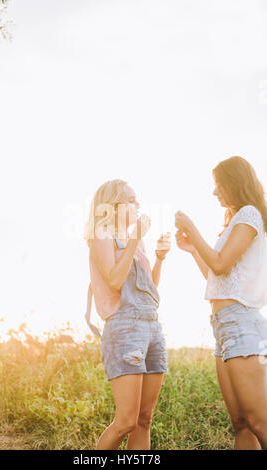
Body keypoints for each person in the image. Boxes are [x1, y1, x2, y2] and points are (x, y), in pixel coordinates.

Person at [175, 156, 267, 450]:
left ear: (234, 182)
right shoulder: (235, 221)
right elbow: (216, 277)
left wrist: (192, 227)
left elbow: (221, 264)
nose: (214, 192)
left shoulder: (250, 214)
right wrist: (193, 250)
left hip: (240, 322)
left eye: (218, 185)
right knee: (240, 424)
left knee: (258, 421)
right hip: (223, 326)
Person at [84, 179, 170, 450]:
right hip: (124, 327)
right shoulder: (102, 234)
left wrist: (159, 257)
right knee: (126, 422)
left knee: (144, 420)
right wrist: (134, 239)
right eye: (130, 201)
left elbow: (149, 289)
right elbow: (114, 280)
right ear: (113, 206)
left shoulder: (137, 240)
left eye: (137, 200)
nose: (137, 206)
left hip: (151, 326)